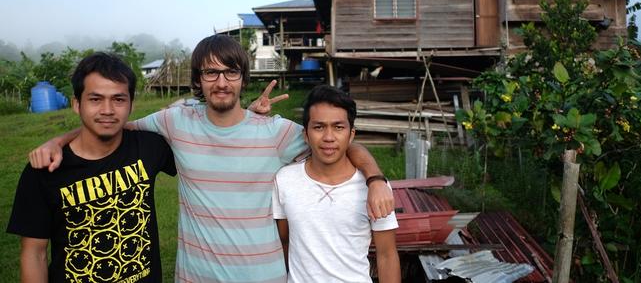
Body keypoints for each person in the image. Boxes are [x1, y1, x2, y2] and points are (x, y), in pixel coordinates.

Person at [29, 35, 394, 283]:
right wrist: (57, 140)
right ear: (199, 80)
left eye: (230, 72)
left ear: (242, 78)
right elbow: (109, 124)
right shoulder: (174, 122)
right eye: (211, 72)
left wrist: (375, 178)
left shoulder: (275, 132)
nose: (221, 82)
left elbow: (337, 140)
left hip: (264, 277)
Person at [7, 53, 176, 282]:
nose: (107, 110)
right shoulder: (44, 170)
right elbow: (33, 255)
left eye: (118, 99)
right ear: (77, 104)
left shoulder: (149, 147)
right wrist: (58, 142)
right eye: (95, 99)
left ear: (131, 104)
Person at [273, 85, 400, 282]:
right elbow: (284, 242)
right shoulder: (285, 180)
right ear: (306, 134)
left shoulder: (376, 188)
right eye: (319, 127)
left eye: (338, 127)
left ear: (351, 135)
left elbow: (387, 255)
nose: (329, 137)